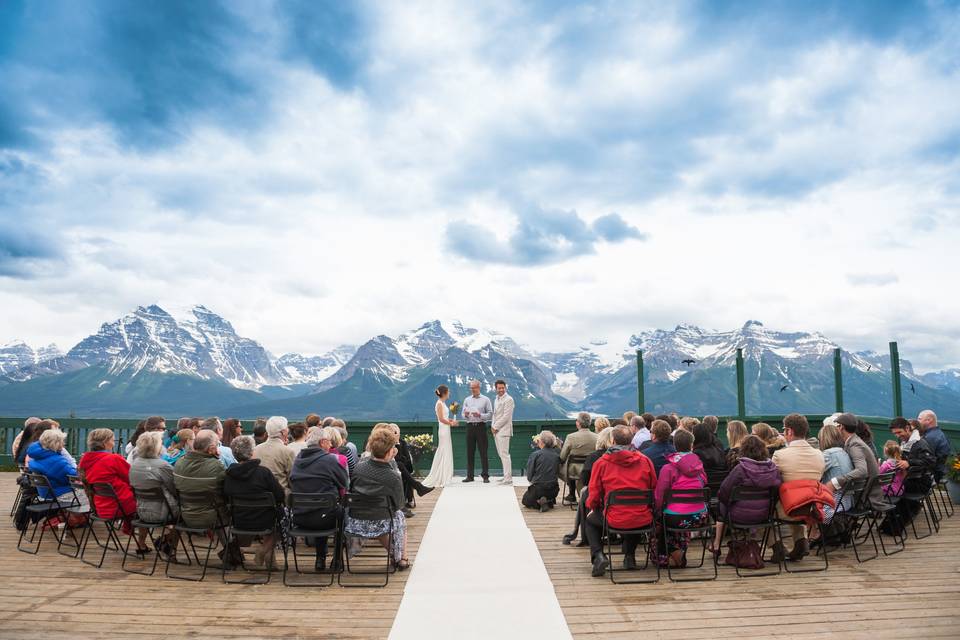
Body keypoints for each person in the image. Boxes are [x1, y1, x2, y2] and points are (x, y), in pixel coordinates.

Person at [584, 425, 658, 576]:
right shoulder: (645, 460)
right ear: (631, 440)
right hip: (642, 517)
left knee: (590, 520)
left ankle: (598, 556)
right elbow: (653, 487)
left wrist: (593, 507)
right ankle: (629, 556)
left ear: (612, 441)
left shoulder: (601, 463)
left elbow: (594, 494)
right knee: (635, 513)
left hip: (614, 518)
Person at [345, 427, 410, 570]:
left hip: (356, 521)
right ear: (389, 452)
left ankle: (395, 554)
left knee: (380, 514)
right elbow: (399, 504)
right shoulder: (393, 476)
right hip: (381, 522)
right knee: (399, 516)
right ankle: (402, 557)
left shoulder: (358, 468)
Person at [290, 426, 350, 570]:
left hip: (299, 518)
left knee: (322, 506)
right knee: (340, 511)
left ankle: (320, 558)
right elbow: (344, 483)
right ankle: (337, 559)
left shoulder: (297, 460)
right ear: (322, 442)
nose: (331, 445)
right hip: (325, 519)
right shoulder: (330, 460)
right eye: (329, 442)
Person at [711, 435, 781, 555]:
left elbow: (724, 491)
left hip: (738, 516)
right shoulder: (772, 470)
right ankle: (777, 547)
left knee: (721, 506)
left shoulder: (740, 469)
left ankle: (716, 545)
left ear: (743, 450)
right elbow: (776, 492)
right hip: (763, 515)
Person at [770, 414, 825, 562]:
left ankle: (777, 546)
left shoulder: (779, 455)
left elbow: (772, 481)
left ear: (789, 431)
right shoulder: (819, 455)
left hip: (788, 510)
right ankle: (801, 542)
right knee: (800, 498)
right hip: (812, 509)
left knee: (763, 507)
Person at [224, 435, 285, 567]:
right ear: (252, 452)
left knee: (273, 512)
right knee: (284, 518)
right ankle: (263, 551)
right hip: (265, 520)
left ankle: (270, 559)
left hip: (239, 520)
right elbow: (280, 496)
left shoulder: (229, 475)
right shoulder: (263, 473)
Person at [79, 429, 142, 545]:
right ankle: (142, 544)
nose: (114, 442)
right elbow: (132, 478)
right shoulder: (113, 459)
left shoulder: (85, 460)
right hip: (120, 507)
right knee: (150, 506)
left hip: (99, 507)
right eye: (112, 440)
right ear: (105, 442)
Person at [655, 429, 708, 567]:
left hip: (675, 519)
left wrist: (657, 510)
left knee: (660, 521)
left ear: (674, 446)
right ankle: (679, 551)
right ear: (692, 445)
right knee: (671, 517)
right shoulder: (699, 466)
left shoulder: (668, 468)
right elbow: (704, 483)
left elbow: (660, 496)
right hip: (700, 517)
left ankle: (671, 554)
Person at [129, 431, 178, 558]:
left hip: (141, 511)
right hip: (163, 513)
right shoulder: (163, 466)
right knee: (183, 514)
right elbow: (175, 489)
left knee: (147, 501)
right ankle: (168, 544)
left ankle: (141, 544)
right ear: (157, 447)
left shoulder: (134, 465)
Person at [563, 426, 615, 546]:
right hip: (634, 511)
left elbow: (585, 481)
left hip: (602, 506)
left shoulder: (594, 458)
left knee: (585, 493)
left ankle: (595, 551)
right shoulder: (636, 459)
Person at [172, 430, 227, 530]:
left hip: (186, 515)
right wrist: (216, 459)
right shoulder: (216, 466)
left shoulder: (179, 463)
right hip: (214, 517)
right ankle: (230, 544)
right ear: (211, 448)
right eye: (217, 444)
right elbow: (226, 489)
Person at [831, 413, 884, 510]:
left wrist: (837, 481)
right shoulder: (855, 441)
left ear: (841, 427)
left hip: (865, 499)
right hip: (869, 495)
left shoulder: (855, 444)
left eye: (837, 426)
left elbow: (861, 471)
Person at [27, 429, 84, 506]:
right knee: (92, 495)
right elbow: (76, 475)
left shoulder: (38, 457)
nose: (63, 444)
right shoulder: (56, 461)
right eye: (62, 442)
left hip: (45, 493)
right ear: (55, 444)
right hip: (60, 495)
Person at [388, 423, 433, 514]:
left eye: (398, 432)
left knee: (403, 468)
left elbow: (407, 459)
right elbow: (392, 458)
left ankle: (411, 496)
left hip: (402, 467)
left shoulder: (403, 443)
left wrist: (398, 446)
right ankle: (417, 490)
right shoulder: (388, 443)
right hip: (392, 467)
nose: (397, 434)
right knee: (401, 466)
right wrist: (395, 445)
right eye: (394, 432)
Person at [423, 385, 458, 488]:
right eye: (448, 392)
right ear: (444, 393)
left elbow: (445, 417)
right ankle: (441, 476)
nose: (449, 393)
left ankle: (445, 475)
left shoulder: (443, 403)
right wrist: (451, 423)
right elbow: (441, 419)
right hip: (443, 429)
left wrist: (451, 420)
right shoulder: (439, 404)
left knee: (446, 450)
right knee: (443, 450)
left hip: (446, 428)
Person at [817, 421, 852, 524]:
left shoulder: (828, 454)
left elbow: (814, 472)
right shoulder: (843, 452)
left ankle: (814, 535)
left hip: (832, 507)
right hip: (847, 503)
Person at [560, 413, 598, 502]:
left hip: (574, 470)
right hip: (592, 469)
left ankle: (572, 494)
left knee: (566, 465)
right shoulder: (597, 437)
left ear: (578, 423)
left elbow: (562, 456)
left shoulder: (571, 437)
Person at [253, 416, 295, 495]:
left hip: (259, 495)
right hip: (281, 496)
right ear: (283, 432)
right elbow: (292, 478)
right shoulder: (288, 451)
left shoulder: (255, 449)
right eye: (287, 428)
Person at [461, 380, 493, 482]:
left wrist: (480, 415)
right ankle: (470, 476)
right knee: (470, 452)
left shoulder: (486, 399)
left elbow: (490, 414)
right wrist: (465, 415)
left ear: (479, 387)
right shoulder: (467, 400)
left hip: (481, 427)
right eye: (471, 387)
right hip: (470, 427)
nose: (472, 389)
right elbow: (462, 414)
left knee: (483, 452)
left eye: (474, 387)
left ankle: (485, 476)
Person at [522, 431, 561, 511]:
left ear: (542, 443)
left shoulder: (535, 455)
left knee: (525, 500)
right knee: (545, 493)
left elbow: (529, 476)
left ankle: (540, 502)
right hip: (554, 490)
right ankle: (548, 500)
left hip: (539, 489)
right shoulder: (557, 455)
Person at [918, 409, 953, 481]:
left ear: (929, 420)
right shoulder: (938, 433)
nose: (917, 422)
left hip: (936, 475)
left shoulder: (930, 437)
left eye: (919, 419)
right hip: (941, 472)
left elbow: (926, 460)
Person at [491, 379, 515, 484]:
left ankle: (508, 479)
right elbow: (495, 414)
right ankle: (506, 476)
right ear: (495, 388)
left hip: (504, 430)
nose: (501, 390)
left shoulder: (509, 399)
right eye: (499, 388)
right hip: (496, 431)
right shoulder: (496, 399)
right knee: (501, 454)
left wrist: (495, 426)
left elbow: (506, 416)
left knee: (505, 454)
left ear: (505, 388)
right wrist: (493, 427)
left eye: (502, 388)